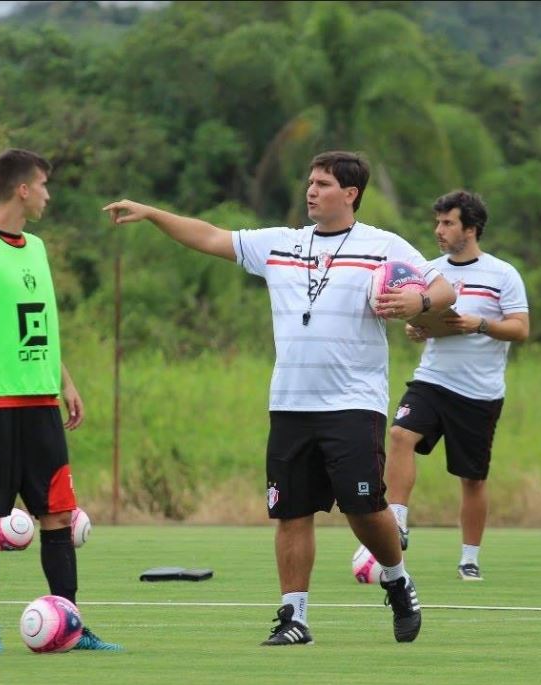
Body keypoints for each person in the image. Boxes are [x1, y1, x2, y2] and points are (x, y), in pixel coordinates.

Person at [104, 151, 455, 645]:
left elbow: (444, 289)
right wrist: (153, 213)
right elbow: (209, 236)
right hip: (290, 403)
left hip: (353, 402)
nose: (311, 191)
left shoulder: (383, 246)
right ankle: (295, 617)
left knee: (363, 508)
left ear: (350, 193)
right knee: (291, 511)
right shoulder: (282, 244)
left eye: (324, 184)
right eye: (310, 182)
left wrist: (418, 301)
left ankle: (397, 579)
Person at [0, 148, 120, 653]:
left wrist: (65, 382)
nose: (47, 193)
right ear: (21, 189)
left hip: (41, 407)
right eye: (42, 184)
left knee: (58, 516)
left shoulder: (36, 248)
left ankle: (72, 625)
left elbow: (36, 325)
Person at [388, 190, 529, 581]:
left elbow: (520, 329)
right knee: (400, 434)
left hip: (479, 393)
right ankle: (396, 521)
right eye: (438, 222)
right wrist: (419, 329)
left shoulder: (503, 274)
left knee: (472, 479)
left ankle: (469, 558)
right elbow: (417, 322)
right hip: (432, 381)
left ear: (471, 228)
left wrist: (478, 324)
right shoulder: (430, 272)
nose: (439, 230)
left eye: (448, 223)